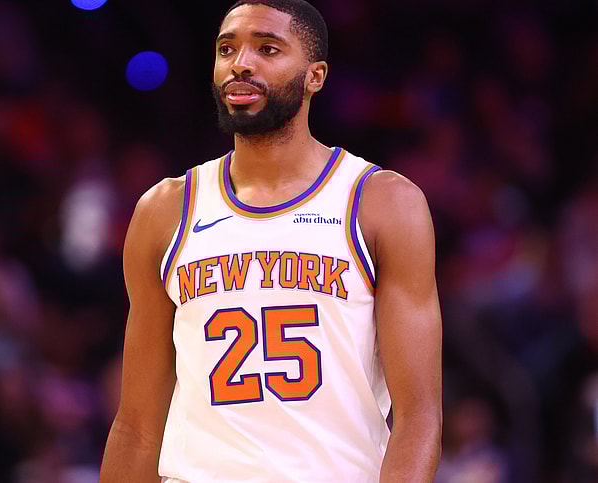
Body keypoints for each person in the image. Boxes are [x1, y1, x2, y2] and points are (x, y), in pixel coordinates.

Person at [99, 0, 442, 481]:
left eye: (267, 49)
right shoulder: (164, 210)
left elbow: (419, 418)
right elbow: (137, 426)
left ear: (315, 76)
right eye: (227, 49)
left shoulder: (381, 202)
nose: (241, 63)